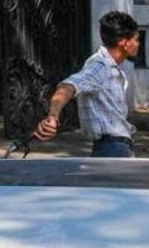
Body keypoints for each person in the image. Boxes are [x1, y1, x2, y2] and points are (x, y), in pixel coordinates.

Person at [33, 11, 140, 157]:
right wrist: (53, 117)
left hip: (115, 145)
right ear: (124, 42)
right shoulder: (100, 66)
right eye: (136, 40)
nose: (138, 44)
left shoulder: (110, 67)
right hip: (112, 148)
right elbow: (67, 87)